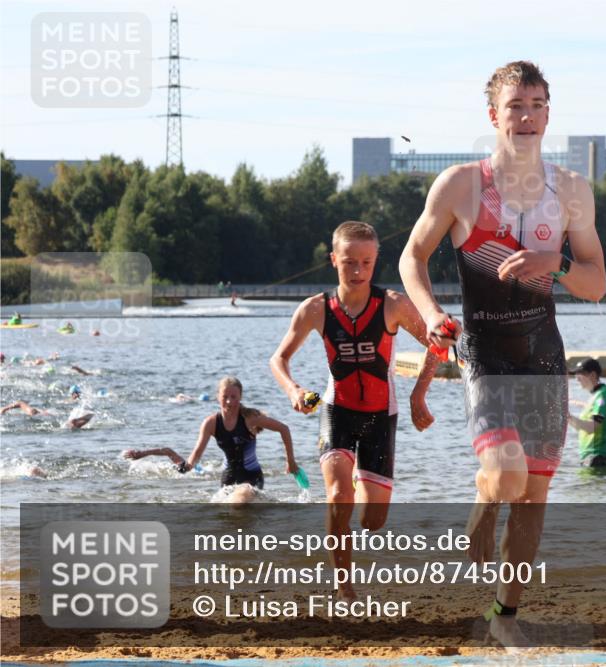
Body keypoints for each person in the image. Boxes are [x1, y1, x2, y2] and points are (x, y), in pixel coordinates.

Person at [399, 61, 606, 646]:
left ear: (548, 114)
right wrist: (432, 313)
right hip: (484, 352)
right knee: (507, 474)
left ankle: (504, 615)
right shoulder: (462, 185)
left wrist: (557, 264)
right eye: (516, 105)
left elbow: (595, 283)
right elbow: (412, 257)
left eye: (538, 105)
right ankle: (483, 498)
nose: (527, 116)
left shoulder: (571, 191)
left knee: (534, 494)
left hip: (543, 355)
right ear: (494, 115)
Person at [270, 221, 439, 600]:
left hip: (382, 416)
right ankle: (344, 586)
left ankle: (364, 485)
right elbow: (278, 360)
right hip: (338, 411)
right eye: (349, 263)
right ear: (334, 260)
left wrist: (419, 395)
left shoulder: (393, 305)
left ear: (376, 261)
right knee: (336, 496)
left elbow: (437, 343)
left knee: (372, 521)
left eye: (366, 262)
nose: (358, 271)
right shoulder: (315, 309)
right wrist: (294, 389)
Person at [125, 376, 299, 502]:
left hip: (252, 478)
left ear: (240, 397)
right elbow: (194, 459)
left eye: (234, 397)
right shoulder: (211, 423)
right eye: (225, 397)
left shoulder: (250, 418)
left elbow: (284, 429)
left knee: (239, 503)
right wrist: (147, 454)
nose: (230, 402)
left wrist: (290, 462)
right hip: (227, 480)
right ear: (218, 397)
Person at [567, 358, 606, 468]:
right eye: (575, 375)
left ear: (592, 375)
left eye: (580, 374)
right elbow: (581, 428)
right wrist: (566, 418)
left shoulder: (603, 395)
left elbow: (592, 427)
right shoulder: (595, 397)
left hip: (599, 456)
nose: (576, 379)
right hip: (591, 456)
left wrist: (569, 417)